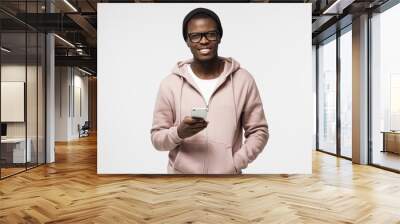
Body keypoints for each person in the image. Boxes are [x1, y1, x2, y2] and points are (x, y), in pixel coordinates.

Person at [151, 7, 269, 174]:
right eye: (195, 36)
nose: (204, 41)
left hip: (227, 181)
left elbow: (259, 131)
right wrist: (178, 133)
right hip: (180, 181)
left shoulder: (243, 79)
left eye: (211, 34)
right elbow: (157, 139)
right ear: (187, 41)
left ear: (219, 37)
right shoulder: (170, 84)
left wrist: (236, 163)